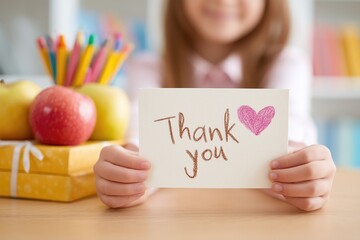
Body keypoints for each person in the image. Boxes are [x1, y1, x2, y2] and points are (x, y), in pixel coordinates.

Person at [94, 0, 336, 211]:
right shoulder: (148, 69)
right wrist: (127, 173)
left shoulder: (286, 64)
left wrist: (305, 169)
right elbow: (139, 138)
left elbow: (292, 131)